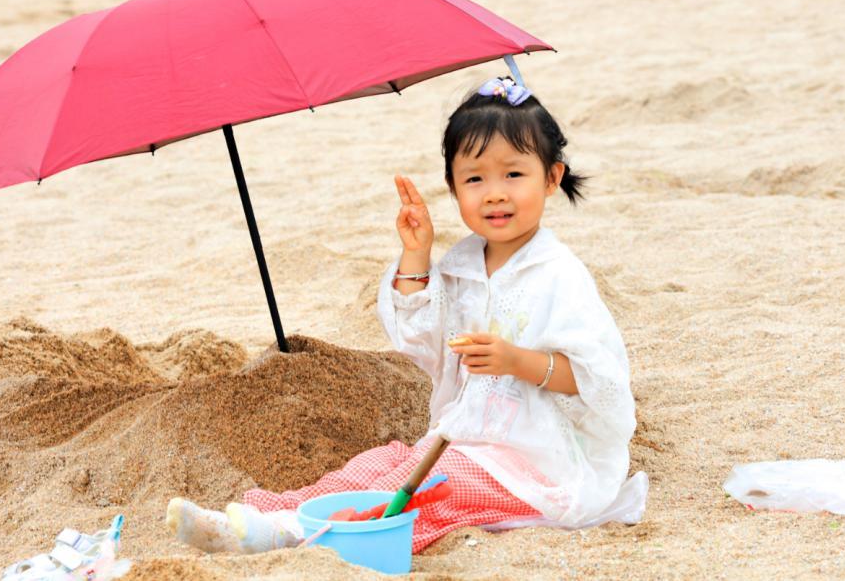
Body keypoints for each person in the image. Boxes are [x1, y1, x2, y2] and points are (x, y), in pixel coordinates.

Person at [164, 71, 642, 555]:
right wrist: (417, 254)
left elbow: (597, 377)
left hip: (537, 459)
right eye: (474, 179)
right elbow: (420, 341)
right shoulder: (461, 266)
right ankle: (270, 515)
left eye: (514, 174)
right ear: (453, 188)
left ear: (552, 178)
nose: (495, 193)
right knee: (378, 465)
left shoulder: (560, 275)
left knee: (438, 490)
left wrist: (516, 361)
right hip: (459, 439)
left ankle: (297, 537)